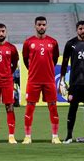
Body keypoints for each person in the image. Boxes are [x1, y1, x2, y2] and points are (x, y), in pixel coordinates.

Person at [22, 16, 61, 144]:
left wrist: (48, 69)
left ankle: (55, 136)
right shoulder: (28, 42)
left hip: (49, 80)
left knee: (53, 107)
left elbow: (54, 59)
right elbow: (25, 59)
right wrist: (33, 69)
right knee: (30, 107)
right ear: (35, 26)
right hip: (33, 80)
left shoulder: (53, 42)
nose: (41, 27)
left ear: (46, 26)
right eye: (39, 25)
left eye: (43, 24)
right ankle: (28, 136)